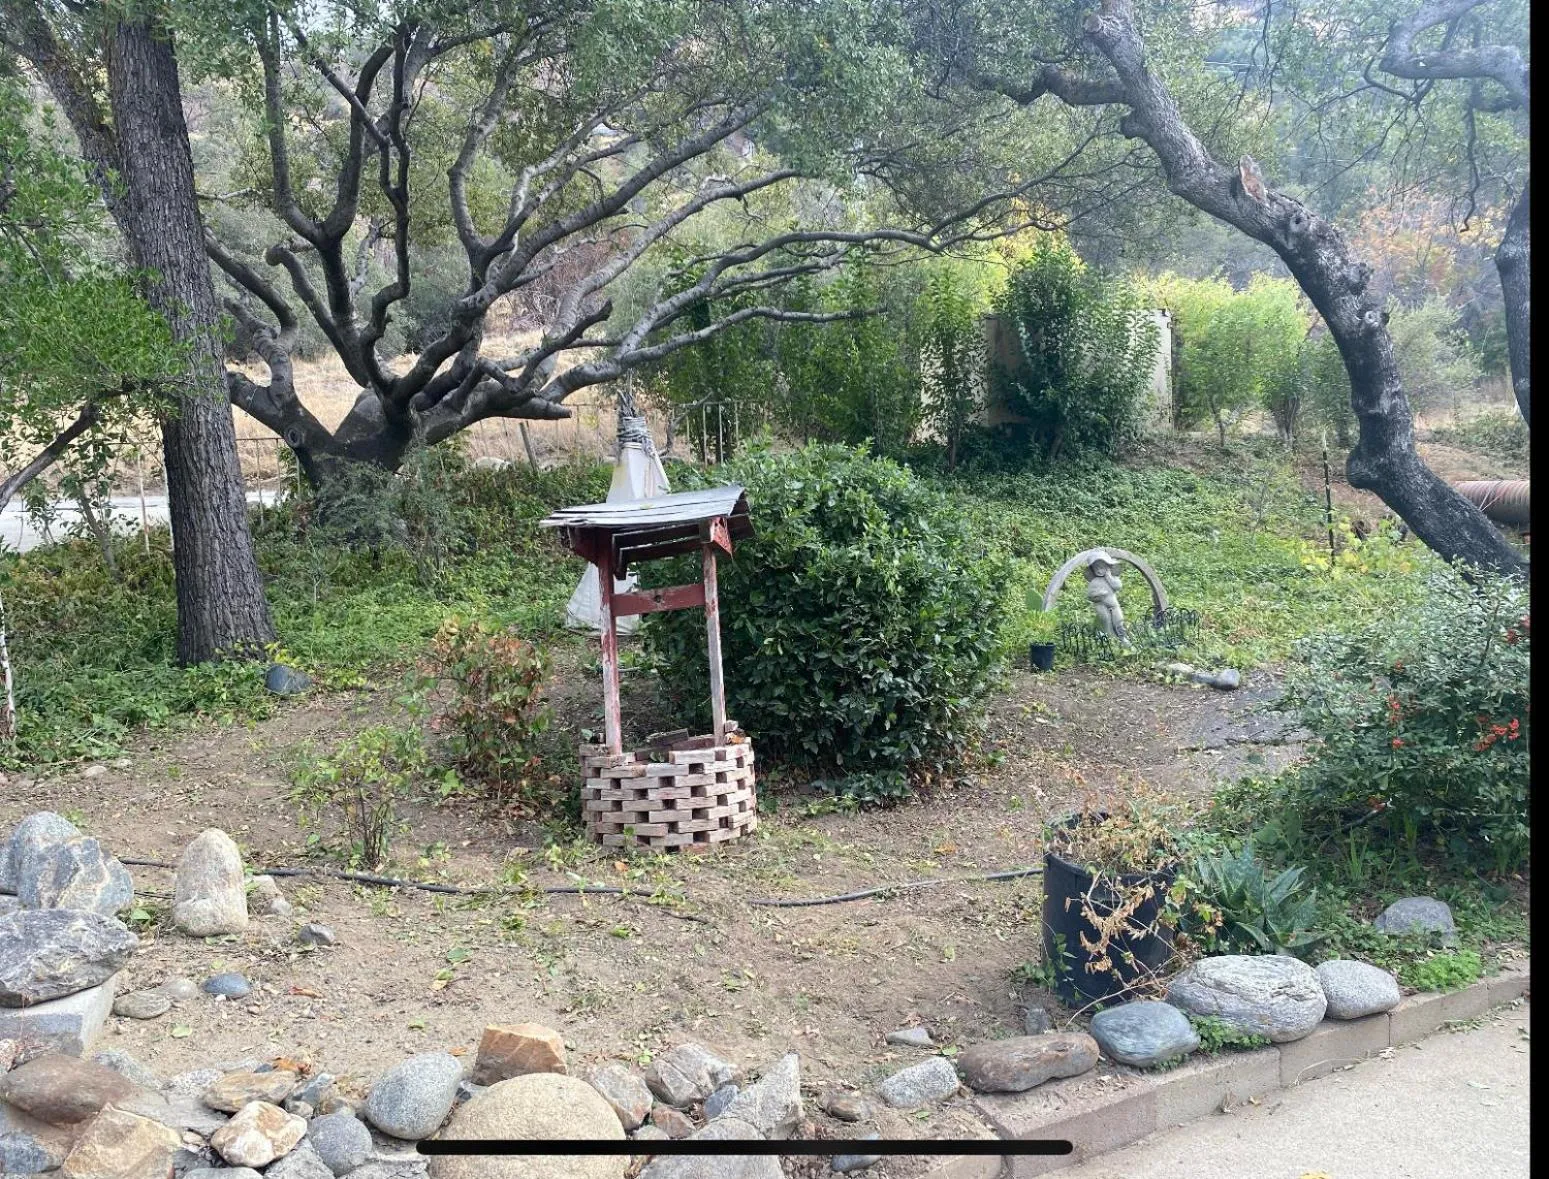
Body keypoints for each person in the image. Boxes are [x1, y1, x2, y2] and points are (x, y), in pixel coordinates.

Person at [1083, 551, 1130, 646]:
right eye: (1096, 568)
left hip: (1114, 605)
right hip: (1101, 605)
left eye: (1102, 567)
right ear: (1093, 570)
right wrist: (1098, 594)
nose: (1099, 570)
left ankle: (1122, 637)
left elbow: (1118, 586)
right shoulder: (1094, 582)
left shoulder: (1113, 578)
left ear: (1108, 566)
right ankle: (1110, 637)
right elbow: (1090, 595)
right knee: (1105, 620)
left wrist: (1109, 577)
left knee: (1119, 620)